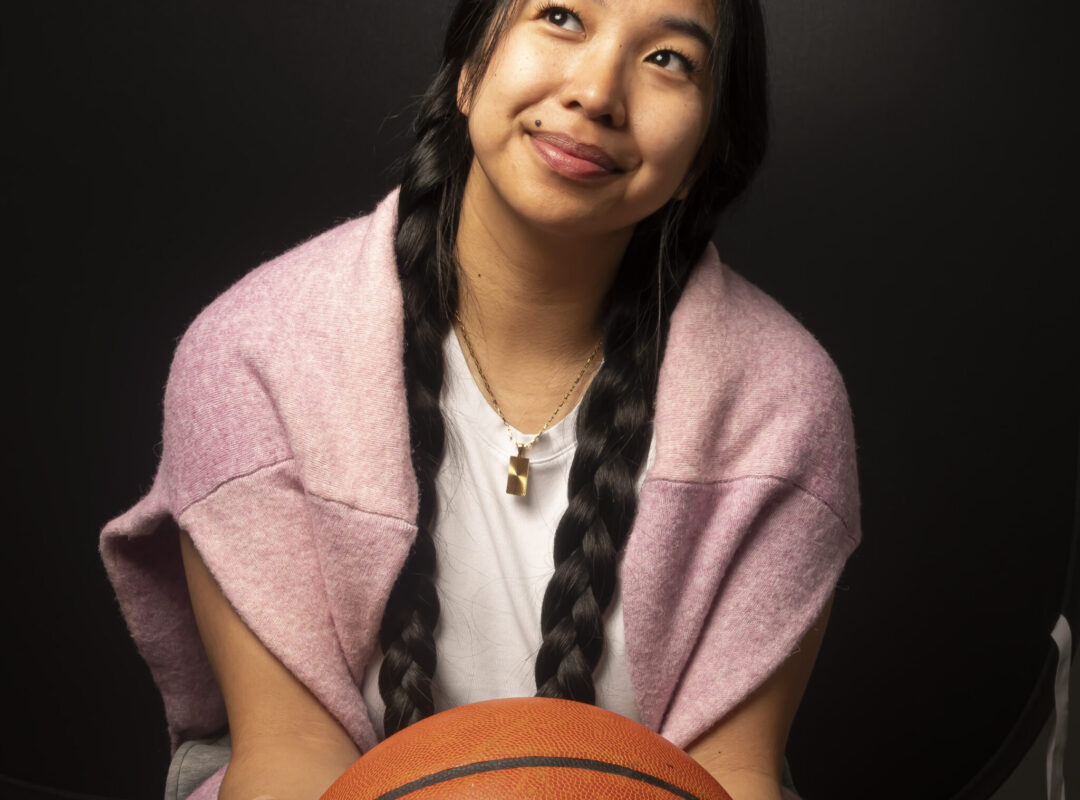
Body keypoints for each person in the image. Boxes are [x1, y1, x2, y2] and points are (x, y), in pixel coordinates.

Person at [101, 1, 861, 799]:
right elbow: (289, 758)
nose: (597, 92)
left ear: (705, 154)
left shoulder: (784, 407)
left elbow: (725, 779)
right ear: (468, 71)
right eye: (561, 16)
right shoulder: (254, 355)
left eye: (669, 59)